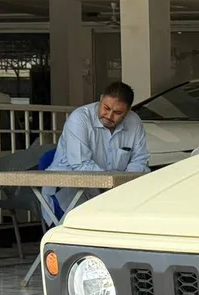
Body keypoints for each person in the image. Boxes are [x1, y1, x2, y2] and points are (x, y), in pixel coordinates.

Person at [42, 81, 150, 222]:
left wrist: (122, 187)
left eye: (117, 113)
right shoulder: (80, 118)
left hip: (113, 194)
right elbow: (81, 165)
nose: (109, 116)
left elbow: (140, 161)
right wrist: (113, 186)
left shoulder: (134, 122)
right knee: (91, 226)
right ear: (100, 99)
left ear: (128, 111)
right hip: (66, 192)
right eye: (106, 108)